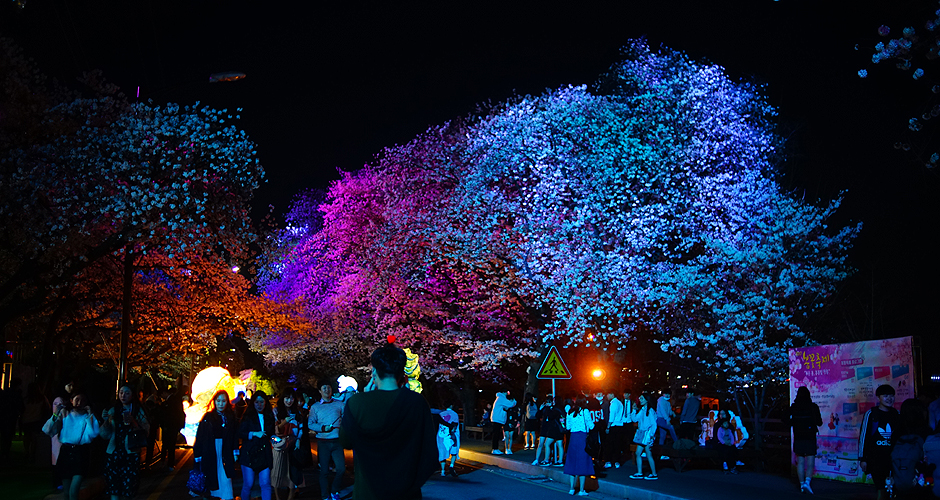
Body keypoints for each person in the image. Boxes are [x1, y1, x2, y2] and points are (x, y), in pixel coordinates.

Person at [340, 343, 437, 500]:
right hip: (406, 491)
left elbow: (346, 442)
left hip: (368, 490)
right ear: (402, 373)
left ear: (374, 372)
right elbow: (429, 451)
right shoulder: (417, 403)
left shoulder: (357, 402)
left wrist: (364, 398)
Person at [42, 392, 99, 500]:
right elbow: (48, 430)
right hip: (66, 451)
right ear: (71, 400)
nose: (79, 403)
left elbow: (93, 433)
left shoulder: (87, 415)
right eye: (77, 399)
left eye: (82, 400)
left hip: (81, 452)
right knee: (67, 492)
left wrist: (90, 414)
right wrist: (55, 414)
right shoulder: (65, 413)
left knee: (74, 491)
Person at [100, 385, 150, 500]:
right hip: (114, 452)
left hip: (130, 453)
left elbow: (146, 431)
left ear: (132, 395)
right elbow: (104, 435)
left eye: (127, 393)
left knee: (129, 487)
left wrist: (134, 422)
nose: (123, 395)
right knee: (114, 486)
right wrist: (106, 422)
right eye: (121, 392)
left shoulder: (138, 410)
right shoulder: (113, 410)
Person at [193, 390, 238, 500]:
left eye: (223, 401)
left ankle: (226, 496)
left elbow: (234, 436)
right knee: (213, 476)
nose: (221, 404)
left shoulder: (230, 417)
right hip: (211, 450)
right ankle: (214, 495)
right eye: (218, 401)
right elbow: (200, 436)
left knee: (226, 477)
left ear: (227, 402)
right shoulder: (208, 417)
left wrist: (235, 451)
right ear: (214, 402)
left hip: (226, 450)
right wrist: (198, 455)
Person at [859, 384, 900, 500]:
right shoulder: (871, 414)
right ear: (878, 398)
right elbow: (863, 437)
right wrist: (862, 459)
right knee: (881, 489)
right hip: (876, 459)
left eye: (892, 396)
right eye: (885, 396)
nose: (889, 399)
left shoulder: (897, 414)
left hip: (893, 459)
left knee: (893, 489)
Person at [308, 381, 346, 500]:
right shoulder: (315, 407)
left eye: (328, 387)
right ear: (320, 391)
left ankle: (334, 491)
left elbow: (346, 419)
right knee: (324, 471)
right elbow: (310, 424)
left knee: (341, 469)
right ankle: (325, 495)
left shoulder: (340, 404)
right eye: (324, 388)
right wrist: (323, 428)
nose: (326, 390)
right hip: (323, 441)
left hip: (337, 441)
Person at [239, 391, 275, 500]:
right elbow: (240, 433)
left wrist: (275, 439)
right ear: (253, 403)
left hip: (264, 453)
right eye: (256, 402)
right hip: (249, 453)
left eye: (261, 402)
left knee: (265, 484)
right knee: (248, 484)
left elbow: (271, 434)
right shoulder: (247, 416)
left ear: (265, 403)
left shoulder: (269, 416)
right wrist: (254, 433)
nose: (259, 405)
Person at [788, 386, 822, 494]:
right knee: (810, 460)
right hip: (810, 436)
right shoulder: (813, 407)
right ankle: (807, 482)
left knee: (801, 461)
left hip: (799, 436)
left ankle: (802, 485)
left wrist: (794, 423)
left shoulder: (794, 407)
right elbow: (819, 422)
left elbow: (784, 418)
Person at [272, 388, 304, 500]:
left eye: (291, 398)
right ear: (282, 398)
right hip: (280, 445)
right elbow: (275, 429)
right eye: (287, 397)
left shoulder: (297, 411)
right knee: (278, 472)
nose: (289, 400)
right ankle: (277, 497)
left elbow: (301, 428)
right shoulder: (276, 411)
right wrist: (285, 421)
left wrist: (298, 439)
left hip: (293, 444)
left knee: (292, 473)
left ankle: (290, 497)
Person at [563, 396, 594, 496]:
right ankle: (581, 490)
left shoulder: (570, 412)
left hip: (573, 438)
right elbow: (591, 426)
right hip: (583, 438)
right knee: (583, 462)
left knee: (572, 461)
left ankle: (571, 488)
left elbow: (568, 427)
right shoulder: (585, 411)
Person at [630, 393, 658, 480]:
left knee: (648, 454)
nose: (640, 400)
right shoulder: (643, 409)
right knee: (638, 453)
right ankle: (640, 472)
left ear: (647, 399)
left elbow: (654, 424)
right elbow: (635, 419)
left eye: (642, 399)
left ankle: (653, 473)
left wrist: (651, 435)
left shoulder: (650, 411)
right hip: (643, 434)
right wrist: (634, 410)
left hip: (647, 434)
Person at [21, 381, 50, 463]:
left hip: (26, 420)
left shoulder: (26, 399)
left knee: (27, 437)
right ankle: (32, 453)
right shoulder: (42, 398)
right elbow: (47, 408)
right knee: (34, 438)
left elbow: (22, 409)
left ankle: (26, 452)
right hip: (36, 420)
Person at [532, 394, 564, 466]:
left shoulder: (555, 409)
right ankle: (538, 459)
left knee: (548, 444)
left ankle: (547, 460)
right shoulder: (547, 408)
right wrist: (541, 409)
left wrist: (549, 408)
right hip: (547, 428)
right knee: (542, 443)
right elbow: (538, 415)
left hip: (552, 428)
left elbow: (551, 416)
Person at [159, 386, 185, 470]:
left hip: (170, 426)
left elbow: (174, 414)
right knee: (170, 446)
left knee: (167, 445)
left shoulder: (171, 402)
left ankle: (166, 462)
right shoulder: (174, 400)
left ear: (164, 393)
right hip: (172, 427)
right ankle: (169, 463)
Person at [431, 402, 460, 477]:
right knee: (454, 451)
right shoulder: (454, 414)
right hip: (451, 435)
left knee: (442, 452)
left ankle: (443, 471)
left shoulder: (441, 414)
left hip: (441, 435)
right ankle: (451, 466)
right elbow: (455, 425)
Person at [604, 389, 627, 469]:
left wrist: (608, 427)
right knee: (617, 444)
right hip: (620, 425)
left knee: (610, 445)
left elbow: (611, 417)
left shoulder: (613, 404)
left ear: (612, 394)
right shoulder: (620, 403)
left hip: (614, 426)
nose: (607, 396)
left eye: (608, 394)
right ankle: (617, 461)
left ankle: (609, 461)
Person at [490, 390, 517, 454]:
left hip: (496, 418)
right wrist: (514, 401)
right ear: (504, 392)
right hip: (497, 418)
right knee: (496, 434)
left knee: (496, 434)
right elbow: (511, 404)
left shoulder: (499, 398)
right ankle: (495, 449)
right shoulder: (501, 398)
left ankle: (495, 448)